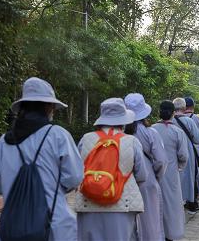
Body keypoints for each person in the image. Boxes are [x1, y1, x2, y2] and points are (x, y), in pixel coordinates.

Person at [0, 77, 84, 241]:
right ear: (48, 107)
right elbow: (74, 177)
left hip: (11, 229)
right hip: (53, 227)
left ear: (22, 107)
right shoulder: (58, 135)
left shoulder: (3, 142)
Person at [75, 98, 148, 241]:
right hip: (123, 204)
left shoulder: (86, 139)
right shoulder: (131, 141)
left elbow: (77, 170)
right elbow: (142, 175)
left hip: (88, 202)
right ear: (123, 120)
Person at [124, 93, 168, 241]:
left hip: (123, 181)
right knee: (150, 222)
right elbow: (161, 161)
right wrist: (156, 177)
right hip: (147, 181)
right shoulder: (150, 132)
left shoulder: (120, 133)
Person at [152, 100, 188, 241]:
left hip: (154, 173)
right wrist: (180, 166)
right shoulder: (177, 132)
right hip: (172, 173)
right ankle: (171, 234)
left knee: (155, 204)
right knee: (172, 204)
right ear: (173, 113)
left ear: (159, 112)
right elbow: (183, 155)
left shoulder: (152, 129)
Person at [172, 98, 199, 214]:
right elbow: (198, 139)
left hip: (172, 155)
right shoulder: (189, 121)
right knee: (190, 178)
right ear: (184, 108)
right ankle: (191, 203)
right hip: (188, 153)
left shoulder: (168, 121)